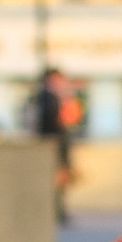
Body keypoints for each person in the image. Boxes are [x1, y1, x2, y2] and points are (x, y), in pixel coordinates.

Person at [33, 69, 73, 222]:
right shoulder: (48, 98)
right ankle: (58, 212)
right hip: (54, 147)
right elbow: (52, 126)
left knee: (58, 183)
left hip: (54, 146)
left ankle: (59, 211)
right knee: (56, 181)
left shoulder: (48, 97)